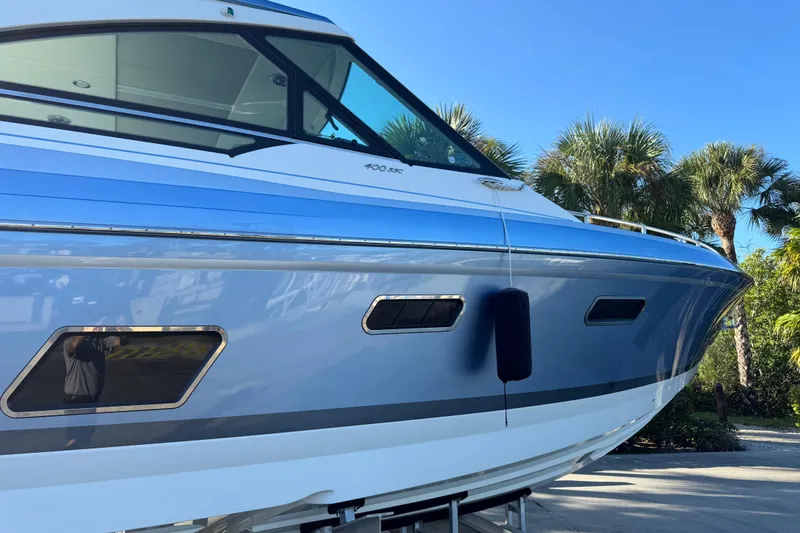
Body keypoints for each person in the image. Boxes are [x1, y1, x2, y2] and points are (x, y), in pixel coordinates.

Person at [62, 331, 126, 405]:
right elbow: (73, 347)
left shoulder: (99, 341)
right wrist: (87, 331)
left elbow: (121, 341)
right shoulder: (69, 341)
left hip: (92, 400)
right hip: (74, 401)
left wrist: (122, 328)